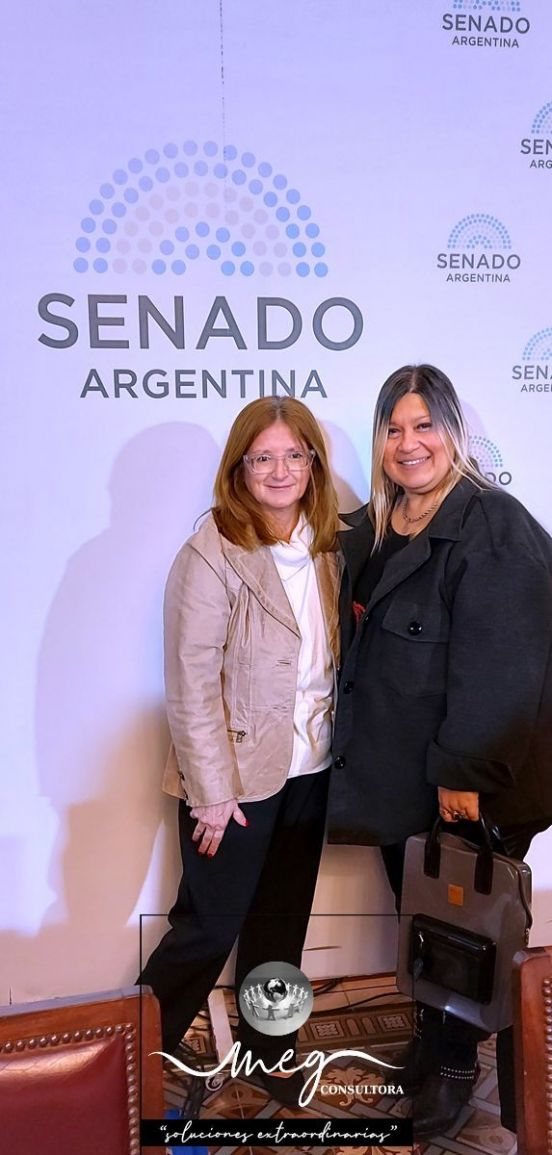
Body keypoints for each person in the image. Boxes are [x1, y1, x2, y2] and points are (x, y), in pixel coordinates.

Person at [327, 364, 552, 1140]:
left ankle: (455, 1065)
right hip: (405, 781)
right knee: (423, 918)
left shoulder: (494, 525)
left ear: (453, 432)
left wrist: (466, 773)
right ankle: (431, 1042)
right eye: (393, 428)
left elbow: (504, 664)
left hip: (471, 783)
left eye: (424, 425)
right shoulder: (384, 525)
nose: (408, 442)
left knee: (465, 931)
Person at [139, 396, 341, 1104]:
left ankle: (269, 1053)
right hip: (234, 781)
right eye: (263, 458)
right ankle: (125, 1061)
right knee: (208, 927)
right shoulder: (210, 553)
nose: (280, 471)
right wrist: (211, 792)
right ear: (240, 468)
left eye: (294, 456)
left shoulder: (328, 544)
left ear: (312, 464)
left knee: (281, 924)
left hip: (312, 767)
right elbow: (190, 683)